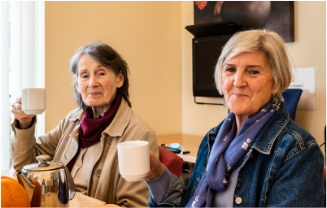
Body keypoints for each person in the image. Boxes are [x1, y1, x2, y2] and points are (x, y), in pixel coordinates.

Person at [145, 30, 325, 208]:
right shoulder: (212, 139)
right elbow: (190, 202)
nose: (238, 82)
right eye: (230, 69)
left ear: (276, 82)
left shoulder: (298, 151)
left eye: (253, 71)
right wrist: (158, 176)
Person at [11, 43, 158, 207]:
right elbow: (25, 168)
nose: (92, 83)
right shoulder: (72, 120)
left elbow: (134, 206)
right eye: (84, 76)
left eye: (101, 73)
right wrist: (24, 124)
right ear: (77, 85)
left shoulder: (140, 135)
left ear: (120, 79)